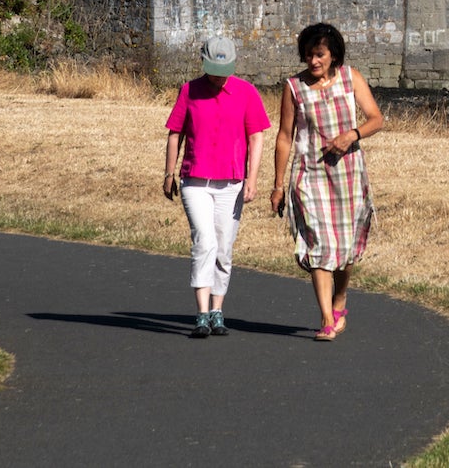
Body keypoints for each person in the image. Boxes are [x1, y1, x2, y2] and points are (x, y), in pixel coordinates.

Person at [269, 22, 382, 340]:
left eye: (319, 55)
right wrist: (278, 185)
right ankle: (326, 320)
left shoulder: (351, 78)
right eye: (308, 55)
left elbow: (377, 118)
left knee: (344, 249)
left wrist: (352, 135)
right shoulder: (294, 87)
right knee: (319, 246)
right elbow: (284, 137)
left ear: (333, 55)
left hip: (347, 175)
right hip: (310, 177)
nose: (313, 61)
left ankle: (340, 297)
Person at [163, 35, 271, 339]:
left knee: (224, 247)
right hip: (195, 180)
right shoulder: (189, 91)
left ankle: (217, 310)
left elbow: (257, 136)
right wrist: (169, 172)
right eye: (213, 68)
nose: (218, 76)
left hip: (232, 183)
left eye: (224, 69)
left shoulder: (246, 92)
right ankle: (201, 314)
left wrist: (252, 178)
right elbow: (175, 133)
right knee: (205, 242)